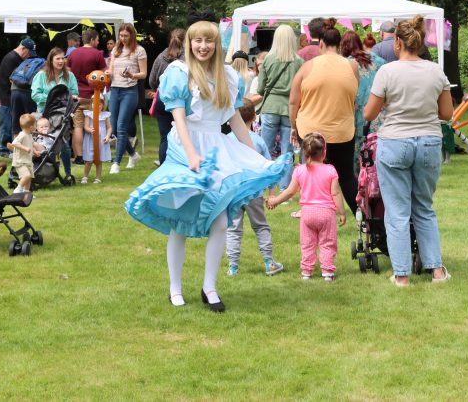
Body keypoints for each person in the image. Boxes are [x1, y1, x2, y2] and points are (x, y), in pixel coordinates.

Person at [124, 21, 293, 312]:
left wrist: (258, 160)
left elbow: (235, 120)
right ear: (189, 43)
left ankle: (209, 287)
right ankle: (175, 288)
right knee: (179, 219)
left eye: (209, 41)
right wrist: (191, 155)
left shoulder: (227, 75)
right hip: (186, 145)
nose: (203, 46)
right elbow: (178, 117)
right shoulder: (178, 72)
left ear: (217, 44)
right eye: (197, 41)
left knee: (221, 220)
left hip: (216, 146)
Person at [363, 15, 453, 286]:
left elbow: (369, 112)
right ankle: (436, 270)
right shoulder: (436, 71)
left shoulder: (387, 72)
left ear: (398, 42)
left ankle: (401, 274)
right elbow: (446, 113)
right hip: (428, 142)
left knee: (397, 211)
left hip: (394, 142)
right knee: (424, 207)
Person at [290, 25, 359, 213]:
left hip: (311, 131)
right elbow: (354, 95)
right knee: (346, 176)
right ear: (339, 44)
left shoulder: (307, 67)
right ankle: (362, 219)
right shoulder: (352, 66)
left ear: (320, 43)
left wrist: (293, 126)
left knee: (313, 175)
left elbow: (293, 102)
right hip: (342, 131)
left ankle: (313, 212)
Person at [267, 132, 346, 281]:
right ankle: (328, 273)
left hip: (307, 214)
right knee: (327, 243)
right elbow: (335, 193)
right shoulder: (330, 170)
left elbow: (290, 191)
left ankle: (306, 272)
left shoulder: (299, 170)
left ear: (304, 152)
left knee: (307, 244)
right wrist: (342, 212)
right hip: (326, 214)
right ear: (324, 151)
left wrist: (275, 201)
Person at [225, 100, 285, 277]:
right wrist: (272, 193)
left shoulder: (226, 140)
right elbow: (268, 167)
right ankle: (269, 263)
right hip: (254, 192)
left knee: (233, 229)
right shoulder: (258, 141)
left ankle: (233, 267)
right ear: (254, 116)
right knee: (260, 226)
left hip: (233, 192)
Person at [340, 30, 387, 175]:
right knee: (377, 152)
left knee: (357, 156)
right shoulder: (378, 61)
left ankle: (360, 185)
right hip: (379, 113)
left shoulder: (345, 64)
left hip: (355, 115)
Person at [31, 47, 79, 179]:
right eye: (57, 58)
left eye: (63, 58)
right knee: (46, 143)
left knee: (63, 143)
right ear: (51, 60)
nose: (61, 61)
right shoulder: (41, 75)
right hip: (44, 115)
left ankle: (68, 173)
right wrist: (51, 98)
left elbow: (75, 92)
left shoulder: (69, 75)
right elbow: (35, 95)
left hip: (62, 114)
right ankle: (47, 172)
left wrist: (71, 98)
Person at [107, 23, 147, 174]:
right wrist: (107, 73)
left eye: (126, 36)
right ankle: (133, 154)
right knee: (115, 127)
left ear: (132, 35)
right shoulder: (116, 50)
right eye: (121, 36)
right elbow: (111, 70)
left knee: (122, 125)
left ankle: (116, 163)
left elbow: (143, 73)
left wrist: (132, 75)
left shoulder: (139, 50)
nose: (123, 38)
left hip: (130, 91)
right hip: (115, 90)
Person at [258, 25, 303, 160]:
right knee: (287, 153)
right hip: (290, 109)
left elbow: (260, 88)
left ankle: (266, 180)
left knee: (266, 149)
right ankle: (286, 182)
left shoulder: (268, 59)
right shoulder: (300, 62)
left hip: (270, 106)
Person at [67, 29, 108, 164]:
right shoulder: (97, 54)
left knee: (78, 126)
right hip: (93, 97)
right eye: (97, 40)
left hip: (76, 96)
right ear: (91, 40)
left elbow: (68, 72)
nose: (98, 42)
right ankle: (96, 154)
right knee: (96, 125)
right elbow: (103, 75)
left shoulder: (73, 53)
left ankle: (78, 157)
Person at [148, 28, 185, 165]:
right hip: (181, 101)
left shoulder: (160, 56)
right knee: (183, 135)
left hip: (162, 99)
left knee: (165, 137)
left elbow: (152, 80)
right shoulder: (188, 57)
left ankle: (164, 166)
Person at [0, 38, 36, 157]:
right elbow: (12, 79)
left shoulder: (15, 58)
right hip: (6, 96)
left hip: (10, 95)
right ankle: (4, 149)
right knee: (7, 124)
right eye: (28, 53)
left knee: (11, 123)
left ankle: (11, 148)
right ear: (23, 48)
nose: (28, 56)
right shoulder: (12, 58)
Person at [9, 114, 44, 194]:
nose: (36, 127)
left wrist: (35, 152)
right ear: (31, 127)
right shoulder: (22, 135)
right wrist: (25, 148)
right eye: (36, 125)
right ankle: (18, 189)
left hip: (27, 161)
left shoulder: (29, 135)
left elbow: (31, 145)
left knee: (29, 178)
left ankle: (26, 193)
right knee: (26, 176)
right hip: (20, 161)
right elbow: (14, 143)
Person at [81, 99, 111, 184]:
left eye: (100, 104)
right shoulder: (89, 114)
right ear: (91, 105)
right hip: (91, 139)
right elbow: (85, 126)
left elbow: (109, 127)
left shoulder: (105, 115)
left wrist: (107, 136)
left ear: (103, 105)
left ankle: (98, 178)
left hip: (101, 140)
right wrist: (90, 130)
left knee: (99, 159)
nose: (97, 106)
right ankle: (85, 177)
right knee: (89, 160)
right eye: (95, 104)